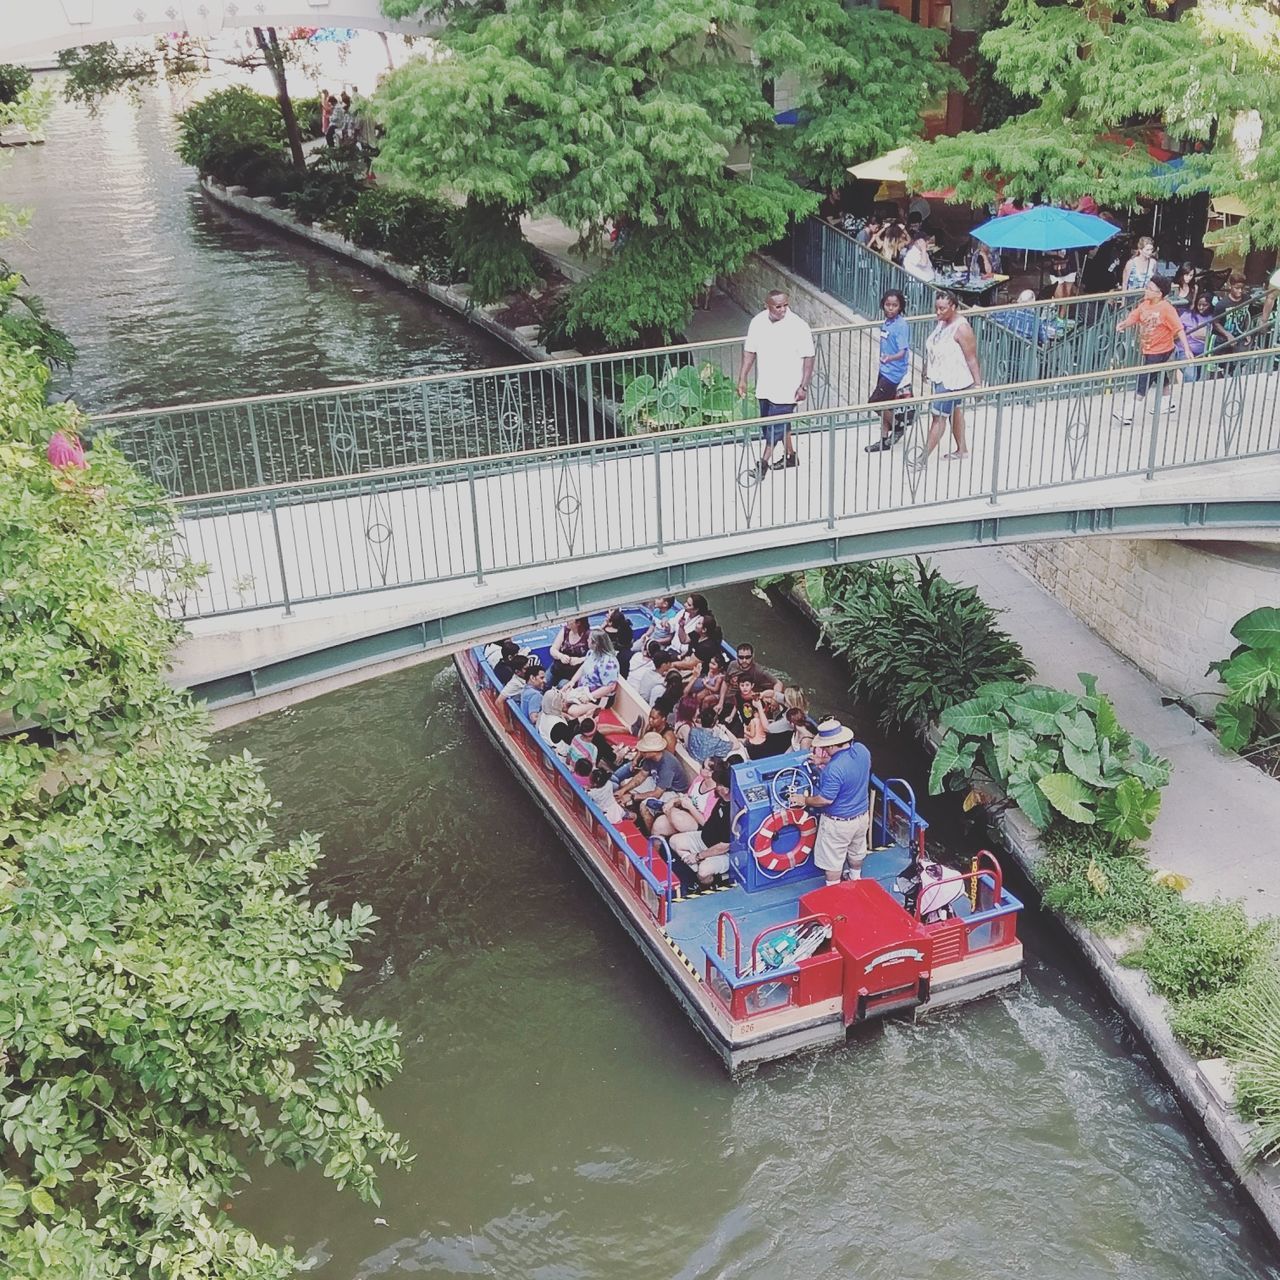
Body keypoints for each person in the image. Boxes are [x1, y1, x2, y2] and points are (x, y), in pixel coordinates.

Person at [736, 290, 816, 478]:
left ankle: (762, 465)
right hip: (766, 385)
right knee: (775, 423)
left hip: (788, 388)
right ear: (767, 306)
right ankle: (791, 456)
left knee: (775, 426)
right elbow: (749, 352)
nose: (783, 310)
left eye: (785, 305)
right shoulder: (758, 322)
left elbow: (809, 357)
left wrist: (803, 386)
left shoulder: (798, 326)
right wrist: (742, 377)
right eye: (778, 306)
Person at [791, 719, 872, 885]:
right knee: (857, 851)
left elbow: (824, 800)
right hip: (862, 817)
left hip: (838, 824)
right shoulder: (862, 750)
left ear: (832, 745)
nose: (825, 751)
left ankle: (834, 892)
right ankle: (855, 878)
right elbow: (847, 762)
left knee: (833, 861)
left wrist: (803, 799)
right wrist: (823, 761)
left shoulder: (833, 770)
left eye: (826, 747)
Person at [1113, 275, 1193, 425]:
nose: (1146, 290)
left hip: (1161, 350)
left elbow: (1179, 328)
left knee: (1144, 379)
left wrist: (1187, 349)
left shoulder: (1166, 308)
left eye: (1150, 289)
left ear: (1159, 294)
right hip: (1149, 348)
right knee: (1159, 375)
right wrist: (1124, 324)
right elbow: (1135, 316)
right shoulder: (1145, 304)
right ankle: (1167, 402)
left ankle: (1129, 412)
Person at [923, 290, 983, 461]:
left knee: (939, 416)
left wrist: (978, 385)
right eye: (937, 308)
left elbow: (971, 358)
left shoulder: (962, 328)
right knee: (954, 411)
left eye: (942, 308)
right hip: (940, 375)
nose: (938, 312)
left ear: (953, 307)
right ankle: (962, 449)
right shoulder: (942, 323)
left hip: (952, 380)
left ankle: (923, 457)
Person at [665, 760, 735, 888]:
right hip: (704, 838)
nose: (715, 786)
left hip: (723, 852)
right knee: (674, 841)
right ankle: (695, 866)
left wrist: (697, 856)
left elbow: (724, 846)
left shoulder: (732, 812)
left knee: (703, 872)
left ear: (726, 789)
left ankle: (707, 885)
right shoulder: (720, 798)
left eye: (718, 784)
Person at [865, 289, 912, 453]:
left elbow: (902, 352)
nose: (890, 308)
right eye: (887, 305)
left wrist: (889, 359)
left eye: (894, 305)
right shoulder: (887, 322)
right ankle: (884, 440)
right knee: (885, 405)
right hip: (884, 370)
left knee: (875, 403)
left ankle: (898, 425)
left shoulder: (900, 325)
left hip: (893, 373)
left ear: (900, 307)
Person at [1179, 293, 1232, 382]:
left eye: (1204, 305)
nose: (1201, 307)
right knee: (1191, 376)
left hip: (1202, 352)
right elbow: (1178, 330)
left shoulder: (1212, 318)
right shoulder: (1187, 315)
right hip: (1186, 351)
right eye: (1199, 305)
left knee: (1197, 376)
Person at [563, 628, 619, 709]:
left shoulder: (610, 663)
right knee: (562, 698)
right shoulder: (591, 653)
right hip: (584, 690)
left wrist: (589, 696)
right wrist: (572, 681)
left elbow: (610, 687)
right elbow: (583, 667)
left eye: (589, 639)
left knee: (572, 711)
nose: (587, 640)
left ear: (595, 644)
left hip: (600, 697)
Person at [549, 616, 590, 684]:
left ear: (578, 623)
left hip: (574, 672)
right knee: (545, 681)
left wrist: (579, 660)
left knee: (562, 685)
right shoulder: (565, 630)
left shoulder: (588, 635)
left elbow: (594, 656)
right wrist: (560, 656)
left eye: (570, 619)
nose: (567, 620)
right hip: (558, 667)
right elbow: (553, 649)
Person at [602, 608, 634, 677]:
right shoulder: (627, 628)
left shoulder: (608, 632)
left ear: (611, 622)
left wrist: (603, 625)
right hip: (625, 655)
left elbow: (597, 636)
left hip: (615, 659)